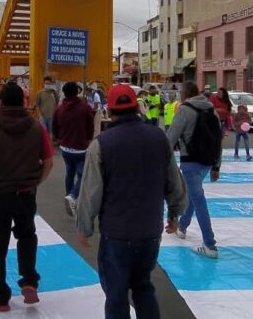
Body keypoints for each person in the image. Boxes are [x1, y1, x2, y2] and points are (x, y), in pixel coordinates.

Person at [76, 84, 187, 319]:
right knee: (143, 287)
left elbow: (91, 192)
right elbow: (175, 182)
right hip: (150, 231)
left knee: (116, 295)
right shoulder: (159, 137)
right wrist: (175, 214)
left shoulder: (101, 144)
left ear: (110, 111)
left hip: (116, 233)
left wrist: (84, 227)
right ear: (137, 107)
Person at [0, 82, 54, 312]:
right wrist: (36, 182)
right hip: (26, 194)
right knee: (27, 236)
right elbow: (50, 161)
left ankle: (0, 296)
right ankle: (29, 281)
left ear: (1, 102)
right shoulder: (36, 127)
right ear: (24, 102)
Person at [167, 81, 222, 258]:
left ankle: (210, 245)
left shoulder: (184, 110)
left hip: (191, 161)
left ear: (185, 94)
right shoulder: (211, 109)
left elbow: (170, 138)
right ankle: (183, 227)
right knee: (193, 193)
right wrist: (216, 166)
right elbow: (218, 139)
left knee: (198, 198)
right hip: (208, 162)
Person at [52, 81, 94, 218]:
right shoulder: (84, 107)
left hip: (65, 147)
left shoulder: (59, 109)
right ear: (77, 92)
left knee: (70, 172)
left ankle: (68, 195)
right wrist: (89, 139)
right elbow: (90, 124)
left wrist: (58, 139)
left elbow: (55, 127)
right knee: (83, 175)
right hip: (80, 147)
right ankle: (73, 196)